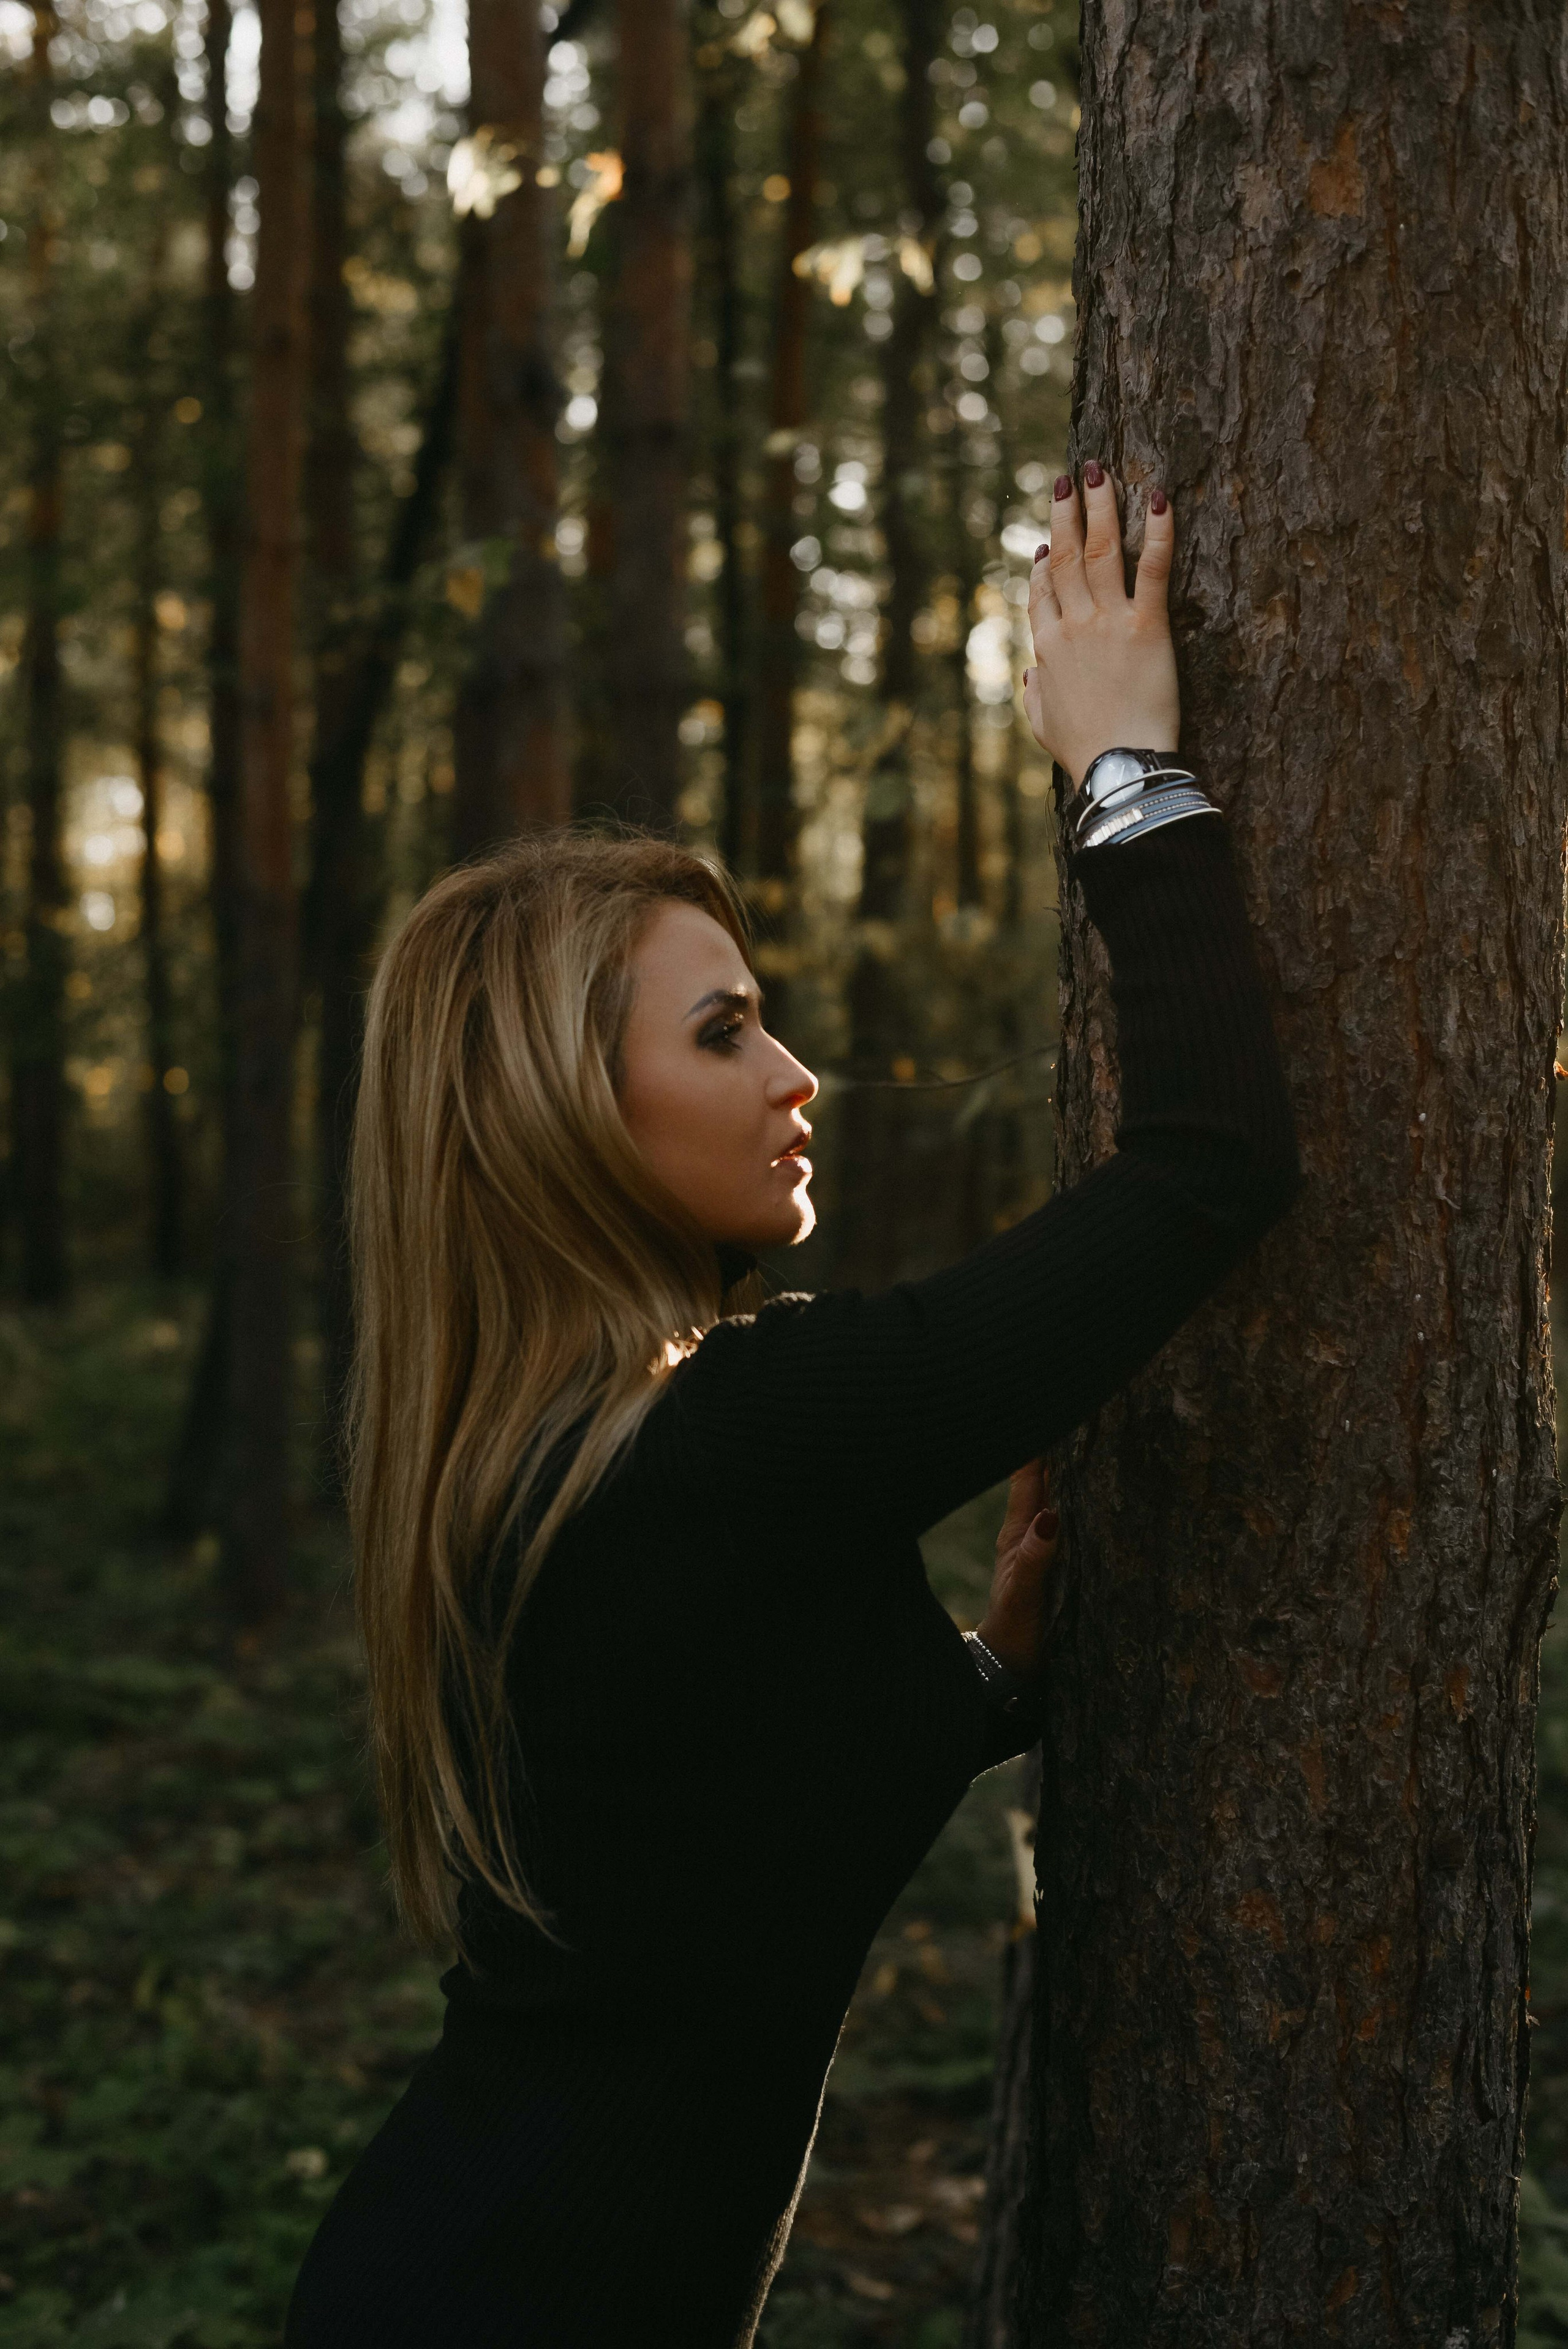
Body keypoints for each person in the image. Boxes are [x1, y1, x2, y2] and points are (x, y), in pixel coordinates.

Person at [284, 466, 1298, 2348]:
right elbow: (1212, 1159)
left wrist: (989, 1683)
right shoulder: (727, 1441)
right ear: (562, 1118)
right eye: (723, 1028)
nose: (800, 1071)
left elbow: (722, 1844)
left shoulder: (539, 1467)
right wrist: (1121, 765)